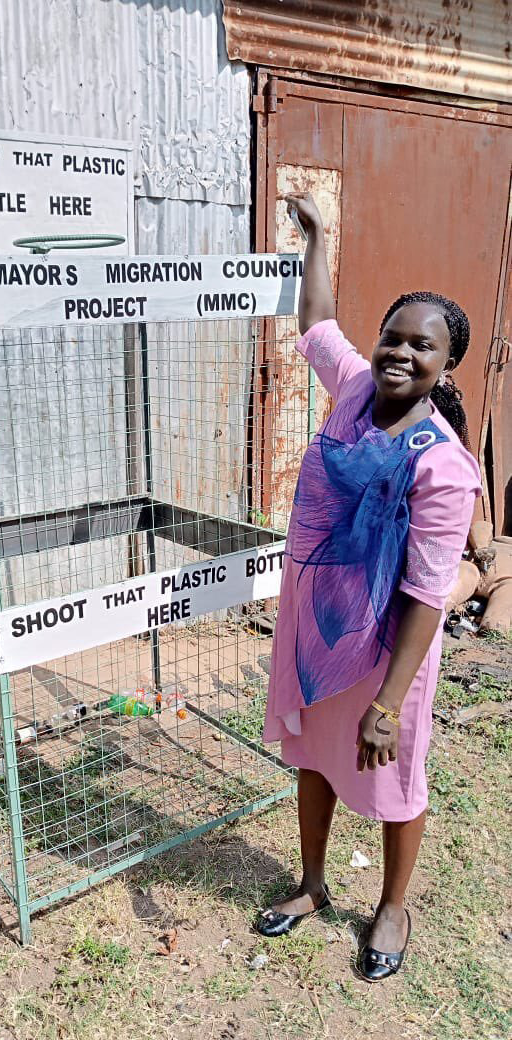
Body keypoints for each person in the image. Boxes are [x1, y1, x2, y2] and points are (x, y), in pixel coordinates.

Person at [256, 193, 482, 982]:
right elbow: (317, 322)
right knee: (316, 756)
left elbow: (426, 591)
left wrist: (387, 703)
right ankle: (314, 884)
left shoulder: (443, 465)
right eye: (392, 336)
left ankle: (391, 906)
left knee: (395, 775)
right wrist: (317, 238)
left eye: (422, 347)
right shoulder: (352, 389)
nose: (399, 353)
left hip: (390, 650)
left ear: (444, 366)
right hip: (321, 626)